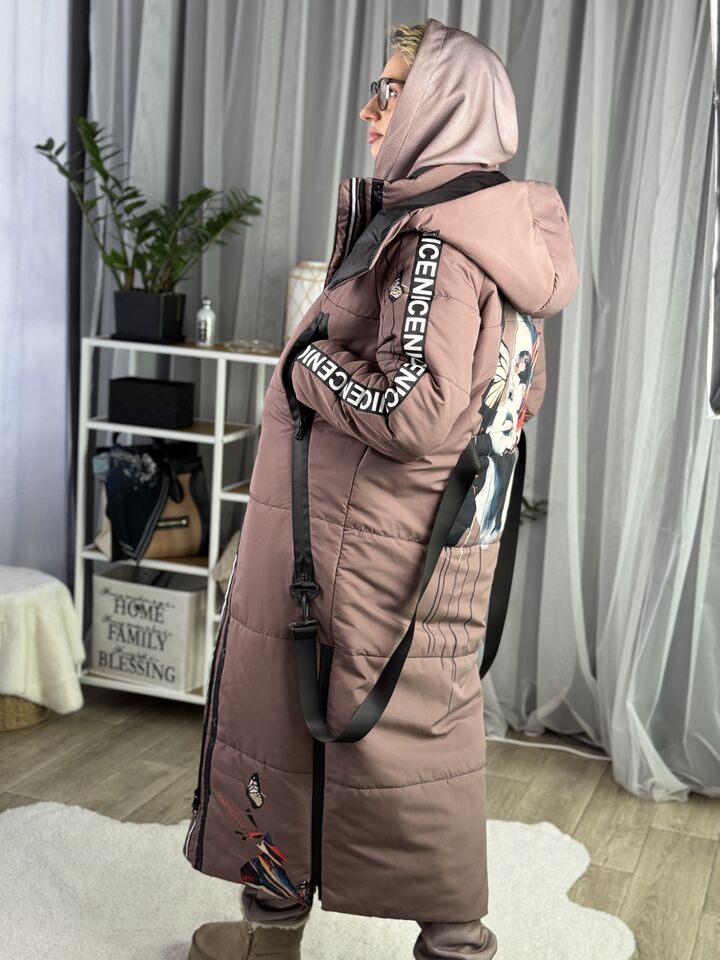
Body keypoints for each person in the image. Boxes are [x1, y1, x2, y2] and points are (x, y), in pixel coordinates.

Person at [187, 16, 578, 960]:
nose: (370, 109)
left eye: (392, 90)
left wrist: (304, 367)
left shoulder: (438, 239)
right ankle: (398, 936)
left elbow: (416, 406)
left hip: (360, 544)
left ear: (446, 106)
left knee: (330, 730)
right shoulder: (472, 222)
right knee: (402, 743)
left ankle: (329, 936)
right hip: (394, 537)